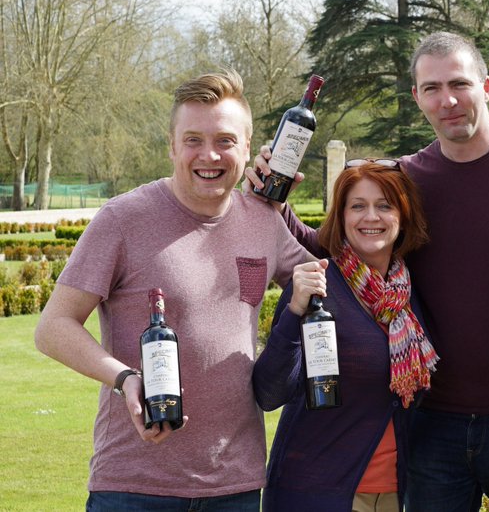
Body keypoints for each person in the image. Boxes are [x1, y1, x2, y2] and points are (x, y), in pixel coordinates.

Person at [246, 32, 489, 511]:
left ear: (487, 86)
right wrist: (271, 195)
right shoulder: (406, 180)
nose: (447, 100)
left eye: (459, 83)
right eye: (431, 88)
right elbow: (335, 248)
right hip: (430, 423)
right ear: (417, 98)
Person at [34, 70, 311, 511]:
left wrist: (288, 204)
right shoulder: (123, 219)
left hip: (234, 486)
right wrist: (123, 378)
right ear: (171, 146)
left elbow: (333, 278)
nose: (209, 155)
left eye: (224, 140)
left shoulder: (263, 220)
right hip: (134, 484)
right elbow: (52, 328)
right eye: (193, 140)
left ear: (249, 149)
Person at [253, 161, 434, 511]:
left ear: (403, 215)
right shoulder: (318, 285)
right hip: (319, 491)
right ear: (341, 216)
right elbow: (269, 392)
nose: (371, 217)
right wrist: (293, 313)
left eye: (384, 205)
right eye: (357, 206)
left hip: (395, 493)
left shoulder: (405, 292)